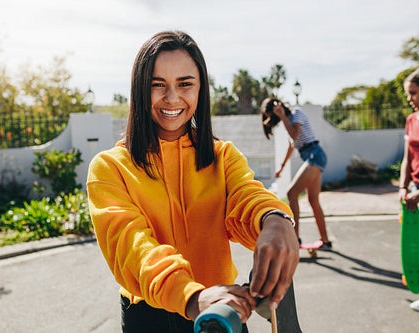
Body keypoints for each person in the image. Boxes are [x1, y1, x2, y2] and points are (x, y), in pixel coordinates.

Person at [87, 31, 300, 332]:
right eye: (157, 85)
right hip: (150, 317)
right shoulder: (109, 167)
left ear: (201, 89)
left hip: (222, 311)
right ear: (138, 89)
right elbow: (132, 248)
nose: (172, 98)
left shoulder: (223, 157)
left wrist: (276, 219)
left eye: (185, 84)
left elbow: (248, 197)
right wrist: (192, 297)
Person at [260, 98, 331, 249]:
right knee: (313, 200)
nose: (276, 119)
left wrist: (283, 117)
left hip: (314, 155)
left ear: (278, 106)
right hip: (313, 155)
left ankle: (294, 240)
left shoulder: (296, 113)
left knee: (291, 193)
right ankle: (325, 241)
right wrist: (282, 167)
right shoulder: (289, 120)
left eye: (274, 115)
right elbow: (292, 146)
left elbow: (294, 135)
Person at [398, 66, 419, 312]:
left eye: (413, 93)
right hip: (416, 192)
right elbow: (407, 157)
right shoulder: (411, 120)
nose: (410, 99)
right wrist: (403, 186)